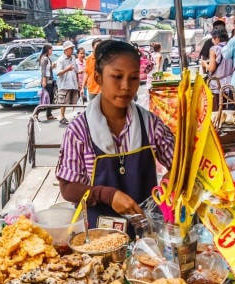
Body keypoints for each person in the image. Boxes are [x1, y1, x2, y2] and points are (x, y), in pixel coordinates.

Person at [55, 40, 175, 238]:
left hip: (146, 235)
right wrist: (108, 195)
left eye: (134, 78)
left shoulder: (150, 124)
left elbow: (180, 162)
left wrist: (174, 177)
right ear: (98, 77)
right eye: (117, 77)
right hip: (98, 236)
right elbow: (68, 189)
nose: (126, 86)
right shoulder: (79, 130)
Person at [202, 28, 233, 110]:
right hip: (231, 84)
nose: (212, 40)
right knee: (228, 110)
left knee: (217, 111)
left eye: (212, 38)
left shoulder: (214, 49)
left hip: (217, 85)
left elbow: (211, 68)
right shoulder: (231, 47)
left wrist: (205, 64)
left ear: (217, 39)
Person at [57, 40, 80, 126]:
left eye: (72, 48)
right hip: (64, 84)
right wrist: (67, 69)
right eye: (71, 48)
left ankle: (75, 117)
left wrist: (78, 82)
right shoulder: (61, 60)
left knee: (75, 101)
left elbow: (76, 70)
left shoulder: (73, 58)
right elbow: (58, 73)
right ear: (66, 50)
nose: (72, 50)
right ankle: (62, 117)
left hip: (73, 84)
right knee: (64, 103)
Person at [39, 44, 56, 121]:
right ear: (47, 50)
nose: (51, 51)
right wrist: (44, 80)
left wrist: (52, 67)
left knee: (50, 98)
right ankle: (36, 114)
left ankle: (49, 114)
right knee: (45, 99)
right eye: (51, 50)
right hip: (47, 81)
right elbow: (43, 71)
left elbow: (48, 69)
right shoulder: (44, 59)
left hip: (50, 81)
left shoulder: (47, 58)